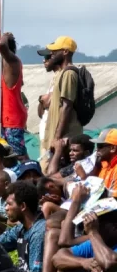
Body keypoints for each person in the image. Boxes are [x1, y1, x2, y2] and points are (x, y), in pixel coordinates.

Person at [40, 36, 83, 174]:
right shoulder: (60, 74)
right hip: (58, 137)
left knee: (56, 175)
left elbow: (67, 106)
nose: (51, 53)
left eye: (55, 50)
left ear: (65, 52)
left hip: (65, 138)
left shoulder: (69, 73)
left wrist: (57, 138)